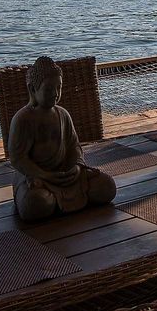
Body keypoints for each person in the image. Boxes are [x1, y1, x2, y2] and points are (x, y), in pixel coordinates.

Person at [8, 56, 117, 220]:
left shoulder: (63, 114)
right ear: (32, 89)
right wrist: (43, 175)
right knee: (35, 203)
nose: (55, 94)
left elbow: (74, 147)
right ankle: (50, 202)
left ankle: (58, 203)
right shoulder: (23, 119)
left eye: (59, 87)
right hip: (38, 178)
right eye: (49, 89)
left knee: (107, 186)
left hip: (67, 175)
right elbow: (18, 158)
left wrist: (76, 167)